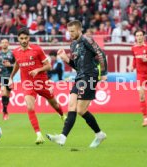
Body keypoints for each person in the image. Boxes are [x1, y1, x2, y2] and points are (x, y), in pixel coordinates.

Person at [46, 20, 108, 148]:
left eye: (73, 31)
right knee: (79, 109)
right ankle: (99, 134)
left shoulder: (87, 40)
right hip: (80, 77)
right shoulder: (73, 45)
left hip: (90, 76)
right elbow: (77, 66)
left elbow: (100, 54)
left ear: (79, 30)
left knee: (74, 106)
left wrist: (104, 72)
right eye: (69, 31)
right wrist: (66, 59)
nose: (70, 34)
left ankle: (62, 137)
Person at [8, 28, 66, 145]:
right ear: (18, 39)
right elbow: (17, 64)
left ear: (29, 38)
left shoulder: (37, 49)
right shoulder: (15, 52)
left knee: (54, 103)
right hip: (27, 84)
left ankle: (62, 115)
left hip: (41, 82)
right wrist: (11, 77)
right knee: (29, 107)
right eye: (21, 38)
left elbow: (48, 66)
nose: (24, 40)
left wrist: (38, 70)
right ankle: (38, 135)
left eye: (25, 38)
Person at [0, 39, 15, 120]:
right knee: (3, 92)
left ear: (8, 44)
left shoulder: (12, 53)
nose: (4, 44)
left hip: (10, 76)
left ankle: (5, 109)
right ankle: (4, 111)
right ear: (0, 44)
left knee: (7, 94)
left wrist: (10, 65)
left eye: (6, 42)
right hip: (1, 75)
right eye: (3, 43)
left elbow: (16, 64)